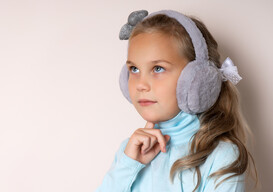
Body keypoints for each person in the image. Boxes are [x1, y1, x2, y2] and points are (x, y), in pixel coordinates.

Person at [95, 10, 258, 192]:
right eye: (134, 69)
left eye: (158, 68)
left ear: (196, 80)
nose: (141, 84)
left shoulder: (221, 156)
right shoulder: (130, 151)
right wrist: (127, 166)